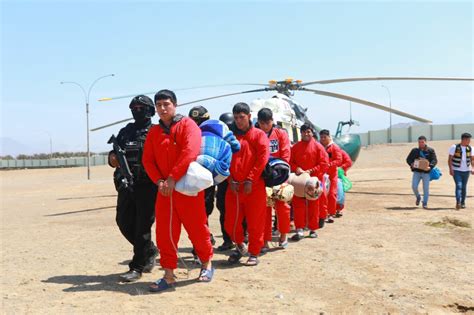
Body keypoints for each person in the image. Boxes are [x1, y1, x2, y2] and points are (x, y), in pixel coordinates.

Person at [143, 89, 214, 292]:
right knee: (165, 233)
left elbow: (189, 152)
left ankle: (206, 263)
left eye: (166, 104)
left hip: (187, 189)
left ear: (175, 104)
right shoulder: (154, 132)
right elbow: (147, 159)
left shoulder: (188, 125)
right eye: (159, 105)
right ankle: (168, 274)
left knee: (197, 229)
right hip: (164, 191)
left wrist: (173, 178)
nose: (163, 109)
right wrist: (160, 181)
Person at [108, 95, 159, 283]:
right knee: (123, 221)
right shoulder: (126, 131)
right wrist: (113, 158)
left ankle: (137, 267)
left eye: (141, 107)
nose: (137, 110)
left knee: (142, 228)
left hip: (148, 186)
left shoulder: (156, 131)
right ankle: (149, 250)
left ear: (150, 110)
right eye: (134, 107)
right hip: (126, 185)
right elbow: (114, 155)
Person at [225, 102, 269, 266]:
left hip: (254, 187)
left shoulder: (258, 135)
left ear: (249, 116)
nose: (238, 121)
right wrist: (230, 179)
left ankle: (254, 252)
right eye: (236, 117)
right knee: (231, 222)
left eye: (241, 117)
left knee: (255, 222)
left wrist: (251, 179)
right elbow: (225, 158)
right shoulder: (230, 136)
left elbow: (262, 158)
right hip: (234, 187)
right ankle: (240, 245)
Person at [256, 108, 291, 249]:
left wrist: (279, 171)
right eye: (262, 123)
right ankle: (264, 239)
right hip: (262, 177)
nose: (265, 126)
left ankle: (283, 235)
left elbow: (286, 154)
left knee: (282, 206)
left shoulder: (280, 134)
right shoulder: (255, 134)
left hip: (279, 175)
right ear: (258, 122)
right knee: (265, 208)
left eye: (268, 122)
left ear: (272, 121)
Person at [290, 124, 329, 240]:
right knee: (298, 205)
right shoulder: (295, 147)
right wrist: (297, 169)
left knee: (314, 205)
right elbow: (290, 162)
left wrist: (311, 171)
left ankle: (313, 229)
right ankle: (300, 229)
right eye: (304, 132)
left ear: (312, 133)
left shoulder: (318, 147)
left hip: (314, 181)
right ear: (300, 133)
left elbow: (324, 163)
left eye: (308, 132)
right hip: (299, 181)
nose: (306, 134)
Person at [188, 105, 216, 248]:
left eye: (199, 121)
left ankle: (204, 238)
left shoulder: (213, 136)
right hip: (191, 178)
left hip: (207, 178)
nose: (197, 125)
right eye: (194, 121)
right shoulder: (187, 135)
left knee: (206, 210)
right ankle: (201, 242)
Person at [406, 135, 437, 209]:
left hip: (426, 173)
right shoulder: (414, 150)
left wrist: (430, 166)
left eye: (422, 142)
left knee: (426, 189)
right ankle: (418, 197)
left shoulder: (430, 150)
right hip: (416, 172)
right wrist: (411, 164)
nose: (421, 143)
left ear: (425, 142)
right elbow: (408, 159)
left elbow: (434, 160)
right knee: (414, 186)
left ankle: (425, 203)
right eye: (419, 142)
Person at [319, 130, 343, 223]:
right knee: (322, 194)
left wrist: (329, 164)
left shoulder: (335, 148)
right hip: (321, 175)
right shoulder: (319, 147)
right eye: (321, 137)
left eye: (325, 137)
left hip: (332, 175)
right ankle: (323, 214)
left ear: (329, 137)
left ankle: (331, 213)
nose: (323, 139)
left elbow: (339, 160)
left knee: (332, 194)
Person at [448, 132, 473, 209]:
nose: (469, 141)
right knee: (459, 185)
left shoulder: (470, 148)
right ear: (464, 139)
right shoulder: (454, 147)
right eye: (468, 140)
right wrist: (451, 169)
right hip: (456, 170)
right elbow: (449, 159)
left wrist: (473, 168)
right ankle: (458, 202)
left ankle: (463, 202)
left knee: (464, 187)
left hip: (466, 171)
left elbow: (472, 159)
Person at [335, 149, 353, 217]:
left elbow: (348, 162)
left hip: (339, 176)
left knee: (340, 193)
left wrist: (340, 168)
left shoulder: (341, 152)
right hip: (328, 176)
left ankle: (339, 209)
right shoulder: (325, 151)